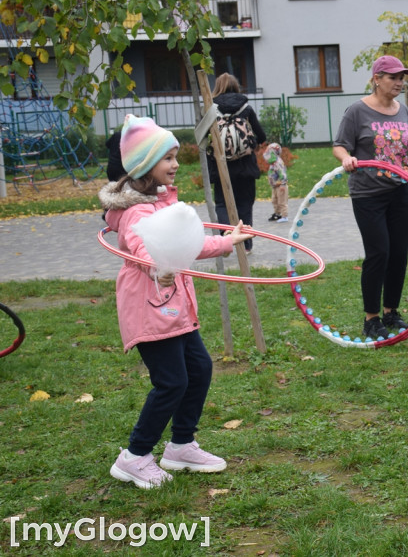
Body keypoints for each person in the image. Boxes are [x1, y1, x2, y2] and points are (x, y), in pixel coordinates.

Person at [98, 115, 253, 489]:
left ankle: (181, 445)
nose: (175, 164)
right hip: (150, 310)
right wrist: (157, 268)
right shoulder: (137, 211)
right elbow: (141, 248)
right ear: (145, 166)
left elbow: (188, 244)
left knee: (198, 370)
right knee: (171, 382)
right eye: (167, 158)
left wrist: (226, 242)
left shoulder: (162, 202)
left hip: (175, 309)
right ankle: (134, 456)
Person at [332, 55, 408, 340]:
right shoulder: (357, 111)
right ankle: (371, 319)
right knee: (379, 252)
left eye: (402, 77)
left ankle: (391, 312)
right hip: (368, 193)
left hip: (399, 191)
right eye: (394, 77)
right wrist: (347, 158)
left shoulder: (402, 111)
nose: (400, 82)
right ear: (377, 79)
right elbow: (339, 146)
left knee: (398, 254)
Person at [206, 73, 266, 252]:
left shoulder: (211, 108)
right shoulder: (245, 108)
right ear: (236, 86)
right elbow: (261, 136)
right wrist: (249, 143)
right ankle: (246, 245)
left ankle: (226, 239)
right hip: (245, 167)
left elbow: (202, 138)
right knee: (245, 205)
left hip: (221, 166)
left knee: (222, 204)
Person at [263, 142, 289, 223]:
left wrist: (283, 184)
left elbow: (282, 174)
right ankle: (277, 214)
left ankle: (284, 216)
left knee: (282, 201)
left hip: (280, 185)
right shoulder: (273, 163)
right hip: (275, 186)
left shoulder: (278, 163)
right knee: (274, 200)